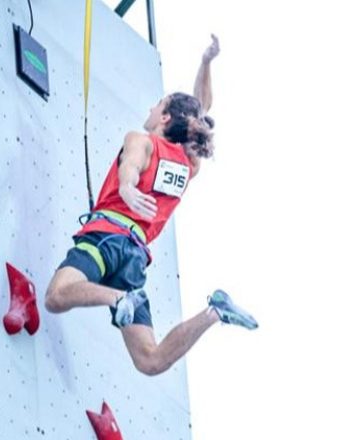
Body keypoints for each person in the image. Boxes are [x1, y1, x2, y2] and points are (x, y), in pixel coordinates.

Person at [44, 35, 257, 376]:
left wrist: (127, 188)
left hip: (107, 238)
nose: (150, 109)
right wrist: (205, 63)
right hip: (134, 257)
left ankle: (117, 299)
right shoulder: (188, 166)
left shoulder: (141, 140)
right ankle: (214, 313)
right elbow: (199, 110)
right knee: (151, 360)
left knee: (56, 296)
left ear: (165, 117)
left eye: (157, 104)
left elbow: (131, 165)